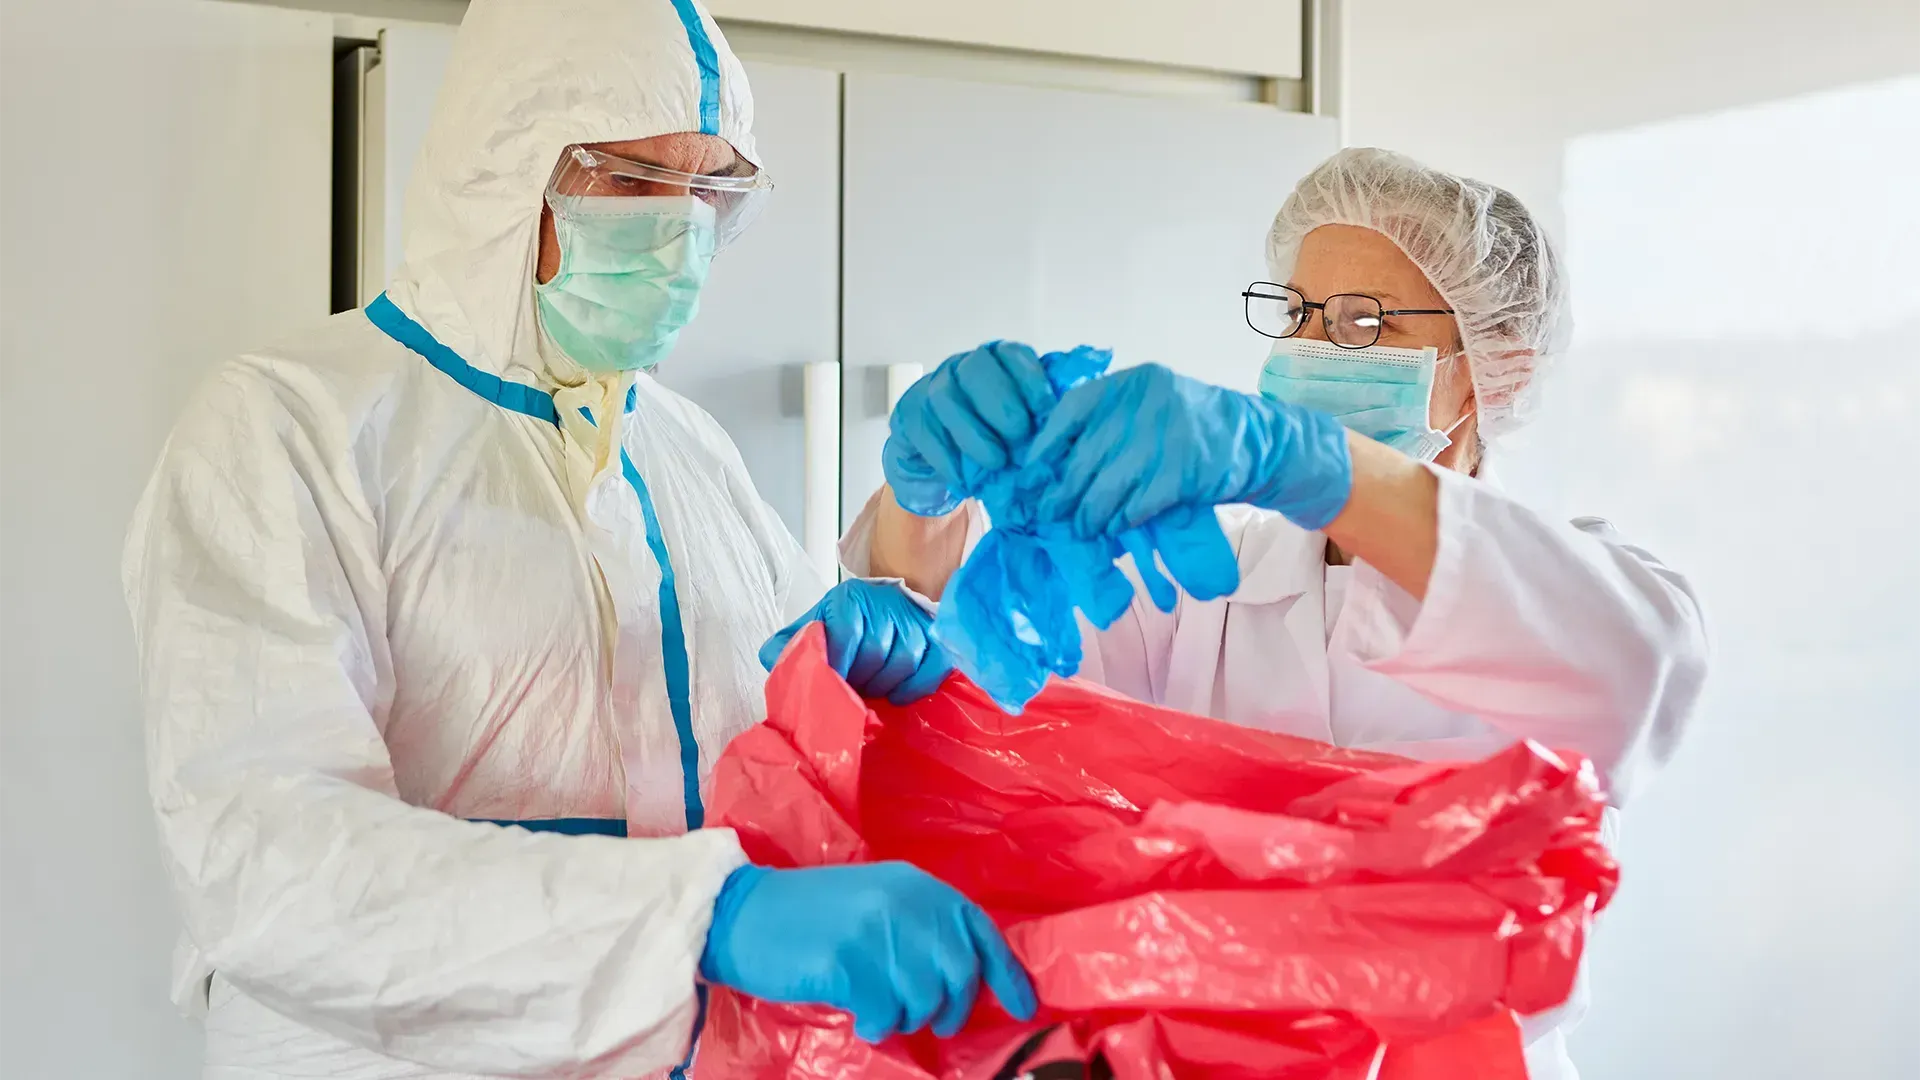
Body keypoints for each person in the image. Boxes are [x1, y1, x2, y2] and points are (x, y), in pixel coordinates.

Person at [121, 2, 1019, 1077]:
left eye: (712, 188)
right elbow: (267, 860)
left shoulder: (687, 450)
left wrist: (870, 630)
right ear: (502, 175)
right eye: (635, 182)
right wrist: (708, 917)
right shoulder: (289, 429)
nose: (682, 229)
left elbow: (777, 733)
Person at [854, 146, 1709, 1079]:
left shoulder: (1562, 584)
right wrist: (927, 497)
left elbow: (1641, 669)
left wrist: (1313, 465)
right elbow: (979, 709)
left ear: (1487, 372)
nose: (1307, 351)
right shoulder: (1203, 575)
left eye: (1360, 324)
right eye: (1298, 315)